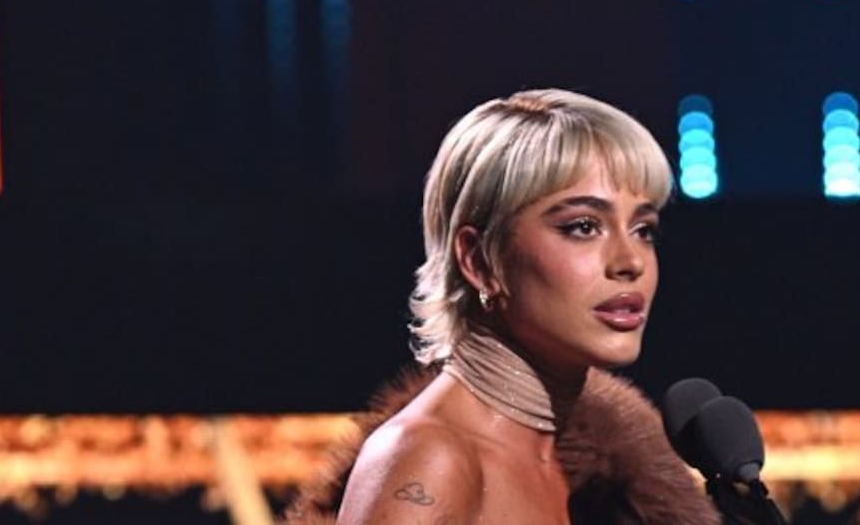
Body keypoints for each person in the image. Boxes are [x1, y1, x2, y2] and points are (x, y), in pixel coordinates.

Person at [285, 89, 717, 524]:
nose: (631, 262)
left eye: (643, 229)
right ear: (479, 260)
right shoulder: (431, 460)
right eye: (583, 226)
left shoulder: (600, 474)